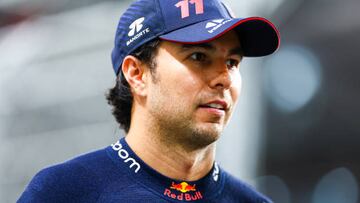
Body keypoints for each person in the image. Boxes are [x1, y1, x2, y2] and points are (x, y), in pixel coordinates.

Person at [18, 0, 280, 202]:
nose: (224, 78)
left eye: (232, 62)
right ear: (136, 74)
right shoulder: (64, 191)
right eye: (199, 57)